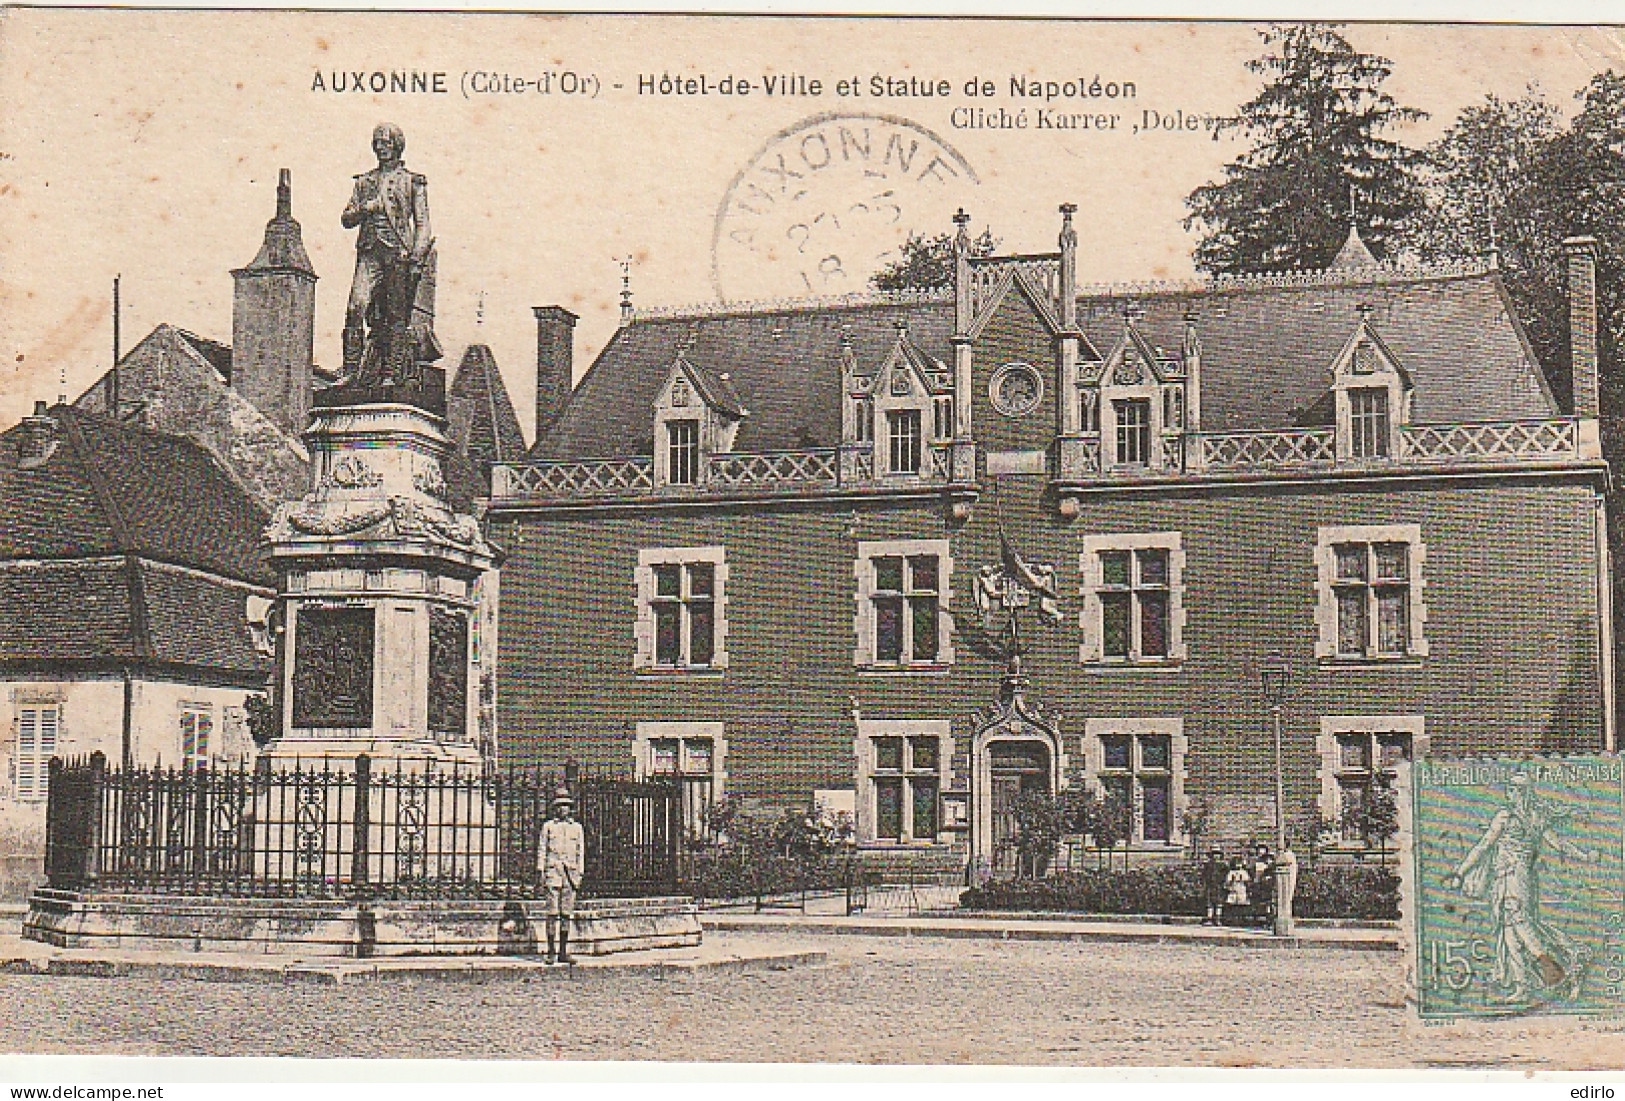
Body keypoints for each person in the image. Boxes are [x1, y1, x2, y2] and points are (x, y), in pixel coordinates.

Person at [1445, 771, 1598, 1002]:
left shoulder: (1508, 817)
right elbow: (1558, 844)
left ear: (1521, 792)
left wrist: (1460, 872)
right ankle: (1523, 985)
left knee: (1518, 923)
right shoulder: (1531, 817)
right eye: (1510, 789)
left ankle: (1550, 964)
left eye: (1514, 789)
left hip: (1513, 879)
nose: (1510, 793)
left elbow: (1484, 846)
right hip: (1510, 879)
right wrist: (1584, 856)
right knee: (1509, 933)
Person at [340, 122, 442, 386]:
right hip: (370, 251)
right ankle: (350, 371)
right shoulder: (364, 182)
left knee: (396, 315)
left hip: (399, 253)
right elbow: (346, 218)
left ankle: (390, 374)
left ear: (397, 145)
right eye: (378, 143)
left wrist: (417, 257)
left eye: (387, 142)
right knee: (356, 306)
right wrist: (366, 208)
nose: (382, 148)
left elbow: (423, 224)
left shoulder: (413, 182)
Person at [537, 786, 585, 964]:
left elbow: (581, 853)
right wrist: (541, 871)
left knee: (566, 914)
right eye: (559, 806)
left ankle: (563, 952)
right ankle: (551, 951)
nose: (562, 809)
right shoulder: (548, 827)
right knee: (552, 913)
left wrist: (579, 874)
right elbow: (542, 850)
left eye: (565, 805)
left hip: (570, 875)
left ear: (570, 808)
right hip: (553, 873)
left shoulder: (577, 828)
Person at [1201, 848, 1227, 926]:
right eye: (1214, 854)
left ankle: (1218, 918)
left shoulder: (1223, 865)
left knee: (1219, 903)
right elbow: (1204, 875)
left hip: (1219, 886)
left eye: (1217, 854)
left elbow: (1225, 875)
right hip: (1210, 886)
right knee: (1209, 903)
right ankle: (1209, 918)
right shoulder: (1208, 865)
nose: (1216, 856)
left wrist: (1223, 882)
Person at [1252, 843, 1276, 926]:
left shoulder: (1271, 866)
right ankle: (1262, 920)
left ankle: (1270, 919)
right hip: (1260, 885)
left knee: (1270, 903)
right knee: (1261, 903)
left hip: (1270, 886)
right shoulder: (1257, 863)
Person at [1223, 856, 1251, 925]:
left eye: (1240, 863)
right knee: (1233, 904)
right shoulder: (1231, 872)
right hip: (1234, 888)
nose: (1238, 865)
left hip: (1241, 889)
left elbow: (1247, 880)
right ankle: (1233, 919)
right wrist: (1231, 881)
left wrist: (1245, 882)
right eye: (1237, 863)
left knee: (1241, 904)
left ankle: (1241, 918)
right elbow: (1228, 881)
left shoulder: (1244, 872)